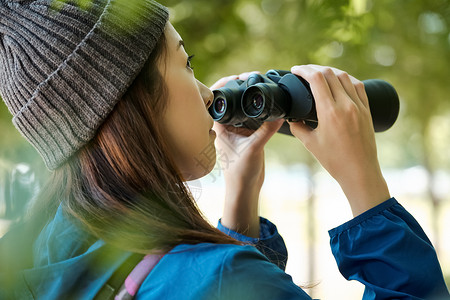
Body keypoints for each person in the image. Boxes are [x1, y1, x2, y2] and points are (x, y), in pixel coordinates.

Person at [0, 0, 448, 299]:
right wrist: (363, 181)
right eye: (185, 63)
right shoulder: (224, 279)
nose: (204, 93)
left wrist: (240, 198)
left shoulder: (37, 265)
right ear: (134, 100)